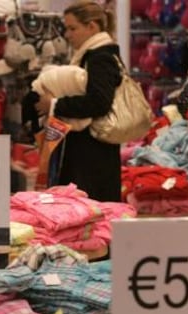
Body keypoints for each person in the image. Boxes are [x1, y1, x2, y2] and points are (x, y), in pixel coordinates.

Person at [35, 1, 123, 202]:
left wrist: (55, 104)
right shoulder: (91, 55)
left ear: (92, 26)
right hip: (91, 151)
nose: (67, 34)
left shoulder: (101, 57)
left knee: (91, 210)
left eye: (72, 28)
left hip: (93, 153)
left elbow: (99, 102)